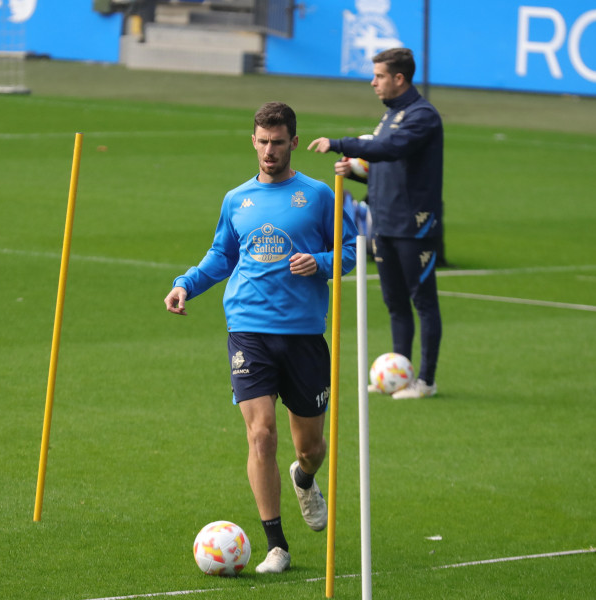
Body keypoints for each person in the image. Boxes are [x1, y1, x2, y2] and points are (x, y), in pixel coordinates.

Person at [164, 102, 357, 573]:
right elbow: (220, 255)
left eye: (278, 142)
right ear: (253, 141)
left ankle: (305, 479)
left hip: (304, 335)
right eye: (262, 141)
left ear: (293, 142)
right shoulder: (237, 199)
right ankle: (277, 546)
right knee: (261, 435)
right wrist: (185, 284)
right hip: (248, 329)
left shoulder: (318, 196)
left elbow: (351, 250)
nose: (269, 151)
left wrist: (323, 262)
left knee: (310, 447)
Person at [308, 47, 444, 399]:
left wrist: (339, 144)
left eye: (379, 76)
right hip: (383, 224)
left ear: (399, 78)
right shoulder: (390, 117)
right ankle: (400, 376)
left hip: (415, 226)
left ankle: (426, 381)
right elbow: (385, 170)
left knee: (423, 302)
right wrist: (353, 171)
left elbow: (390, 150)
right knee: (395, 302)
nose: (373, 82)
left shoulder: (422, 116)